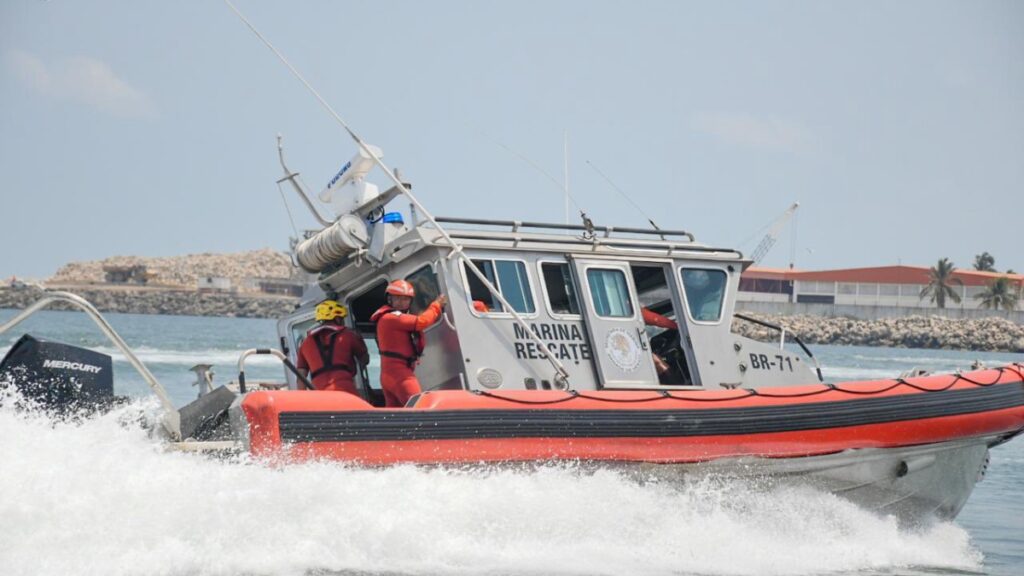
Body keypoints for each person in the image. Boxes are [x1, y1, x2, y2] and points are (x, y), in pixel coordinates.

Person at [370, 280, 447, 407]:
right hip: (400, 375)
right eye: (398, 298)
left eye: (405, 299)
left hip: (391, 374)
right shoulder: (391, 318)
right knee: (419, 408)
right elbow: (422, 321)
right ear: (389, 299)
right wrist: (437, 305)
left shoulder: (390, 318)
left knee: (395, 418)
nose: (402, 302)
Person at [295, 299, 369, 396]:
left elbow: (301, 376)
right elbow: (365, 359)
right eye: (342, 318)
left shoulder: (305, 343)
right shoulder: (349, 335)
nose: (343, 322)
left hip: (320, 394)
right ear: (337, 319)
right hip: (345, 390)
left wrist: (303, 399)